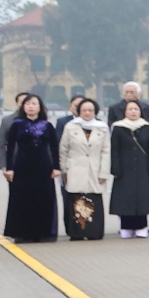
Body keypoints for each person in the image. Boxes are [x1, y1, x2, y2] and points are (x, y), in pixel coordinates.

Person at [0, 93, 58, 242]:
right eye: (28, 104)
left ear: (40, 107)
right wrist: (9, 168)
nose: (31, 106)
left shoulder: (47, 125)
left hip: (43, 166)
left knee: (44, 198)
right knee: (22, 199)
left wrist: (56, 167)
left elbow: (54, 147)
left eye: (34, 104)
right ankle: (22, 232)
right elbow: (10, 147)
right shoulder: (16, 125)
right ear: (23, 107)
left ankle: (44, 232)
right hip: (22, 166)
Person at [58, 97, 110, 241]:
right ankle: (77, 232)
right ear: (79, 111)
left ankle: (94, 231)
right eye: (84, 110)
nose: (87, 113)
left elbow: (106, 151)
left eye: (90, 110)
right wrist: (63, 170)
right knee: (76, 200)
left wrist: (104, 171)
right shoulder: (70, 127)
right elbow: (63, 149)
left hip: (95, 168)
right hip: (74, 168)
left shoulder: (102, 128)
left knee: (93, 200)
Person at [108, 99, 149, 238]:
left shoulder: (147, 127)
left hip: (142, 167)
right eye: (130, 109)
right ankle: (126, 227)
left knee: (142, 198)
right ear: (125, 111)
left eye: (136, 109)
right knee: (125, 198)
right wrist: (115, 167)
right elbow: (114, 149)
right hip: (124, 168)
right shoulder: (118, 127)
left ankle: (142, 226)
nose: (133, 112)